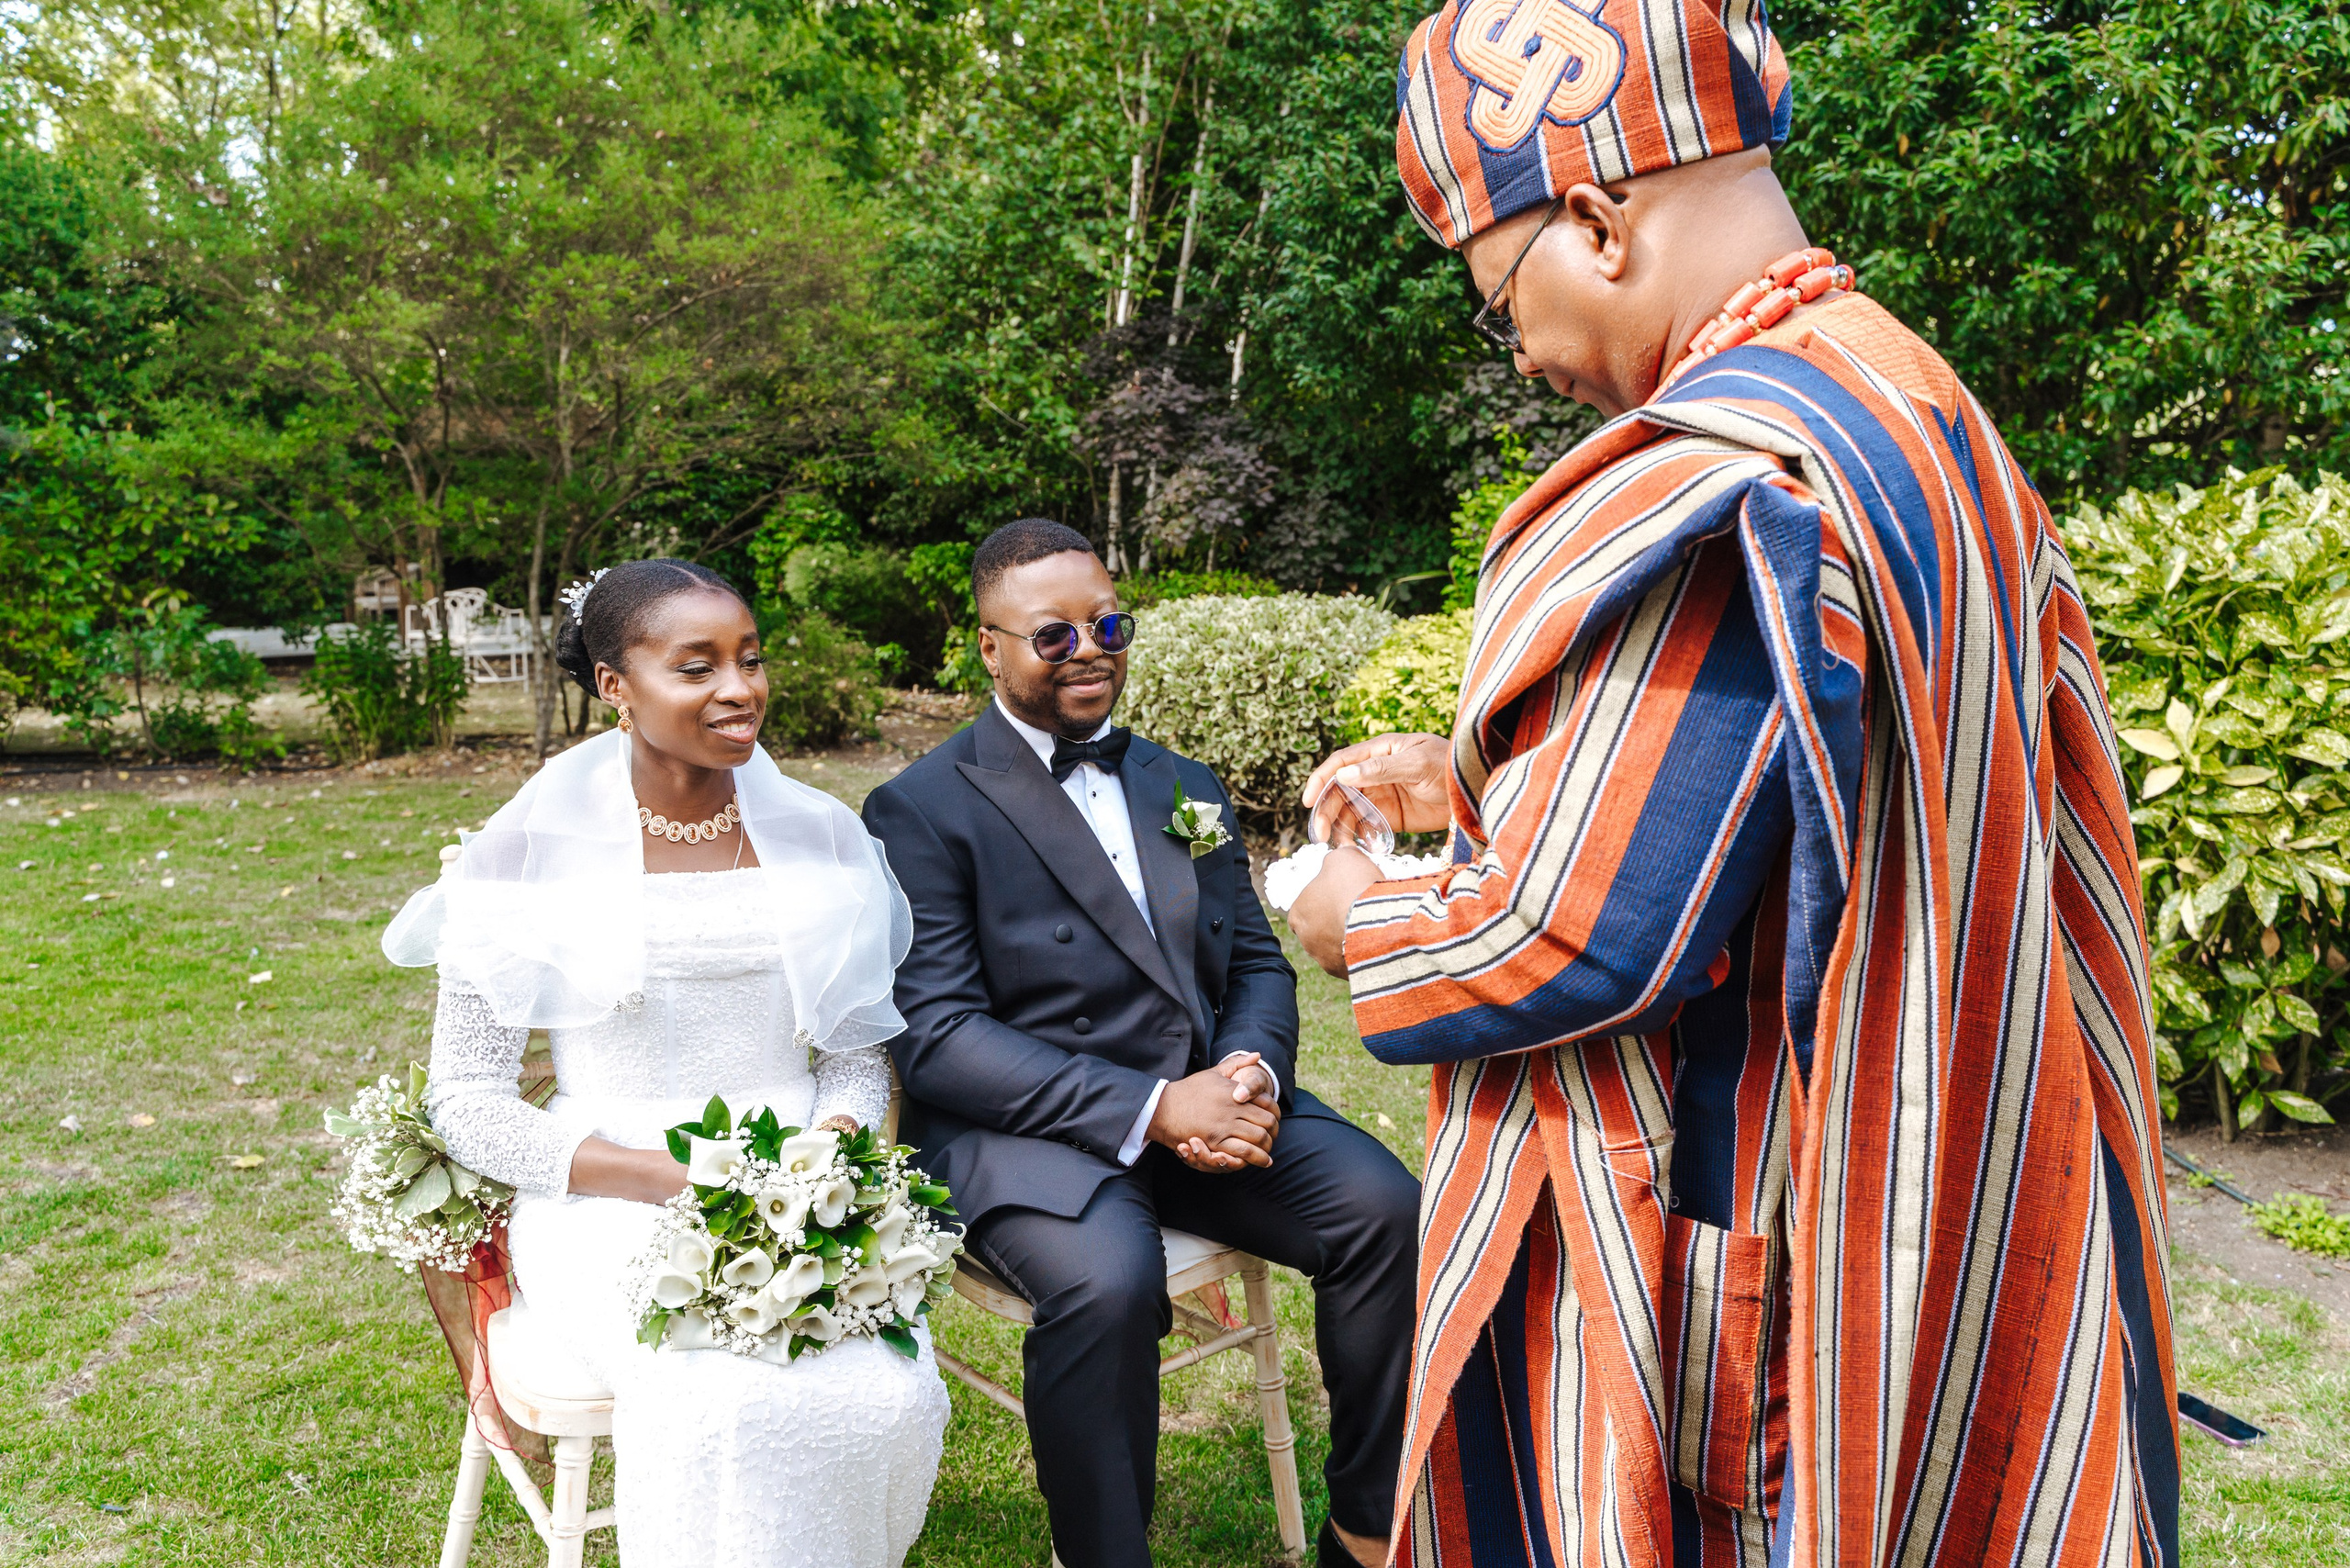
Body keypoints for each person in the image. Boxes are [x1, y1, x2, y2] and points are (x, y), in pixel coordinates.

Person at [1286, 5, 2177, 1564]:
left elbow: (1575, 939)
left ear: (1597, 218)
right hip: (1944, 1194)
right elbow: (1831, 777)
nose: (1524, 348)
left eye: (1502, 292)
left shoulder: (1723, 473)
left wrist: (1353, 912)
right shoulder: (1909, 404)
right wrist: (1485, 770)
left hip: (1759, 1263)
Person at [862, 519, 1421, 1568]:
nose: (1090, 649)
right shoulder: (921, 809)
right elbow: (935, 1036)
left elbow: (1255, 961)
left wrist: (1248, 1073)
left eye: (1106, 623)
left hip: (1212, 1100)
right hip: (1033, 1131)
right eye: (1053, 635)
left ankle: (1365, 1525)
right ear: (988, 646)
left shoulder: (1182, 782)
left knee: (1387, 1210)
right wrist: (1155, 1109)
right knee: (1106, 1285)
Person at [386, 558, 948, 1567]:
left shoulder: (822, 839)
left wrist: (829, 1154)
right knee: (721, 1398)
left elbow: (858, 1059)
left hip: (801, 1188)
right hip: (608, 1192)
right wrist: (666, 1177)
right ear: (615, 685)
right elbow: (465, 1102)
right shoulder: (521, 858)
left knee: (888, 1390)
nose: (740, 689)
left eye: (750, 659)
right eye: (697, 667)